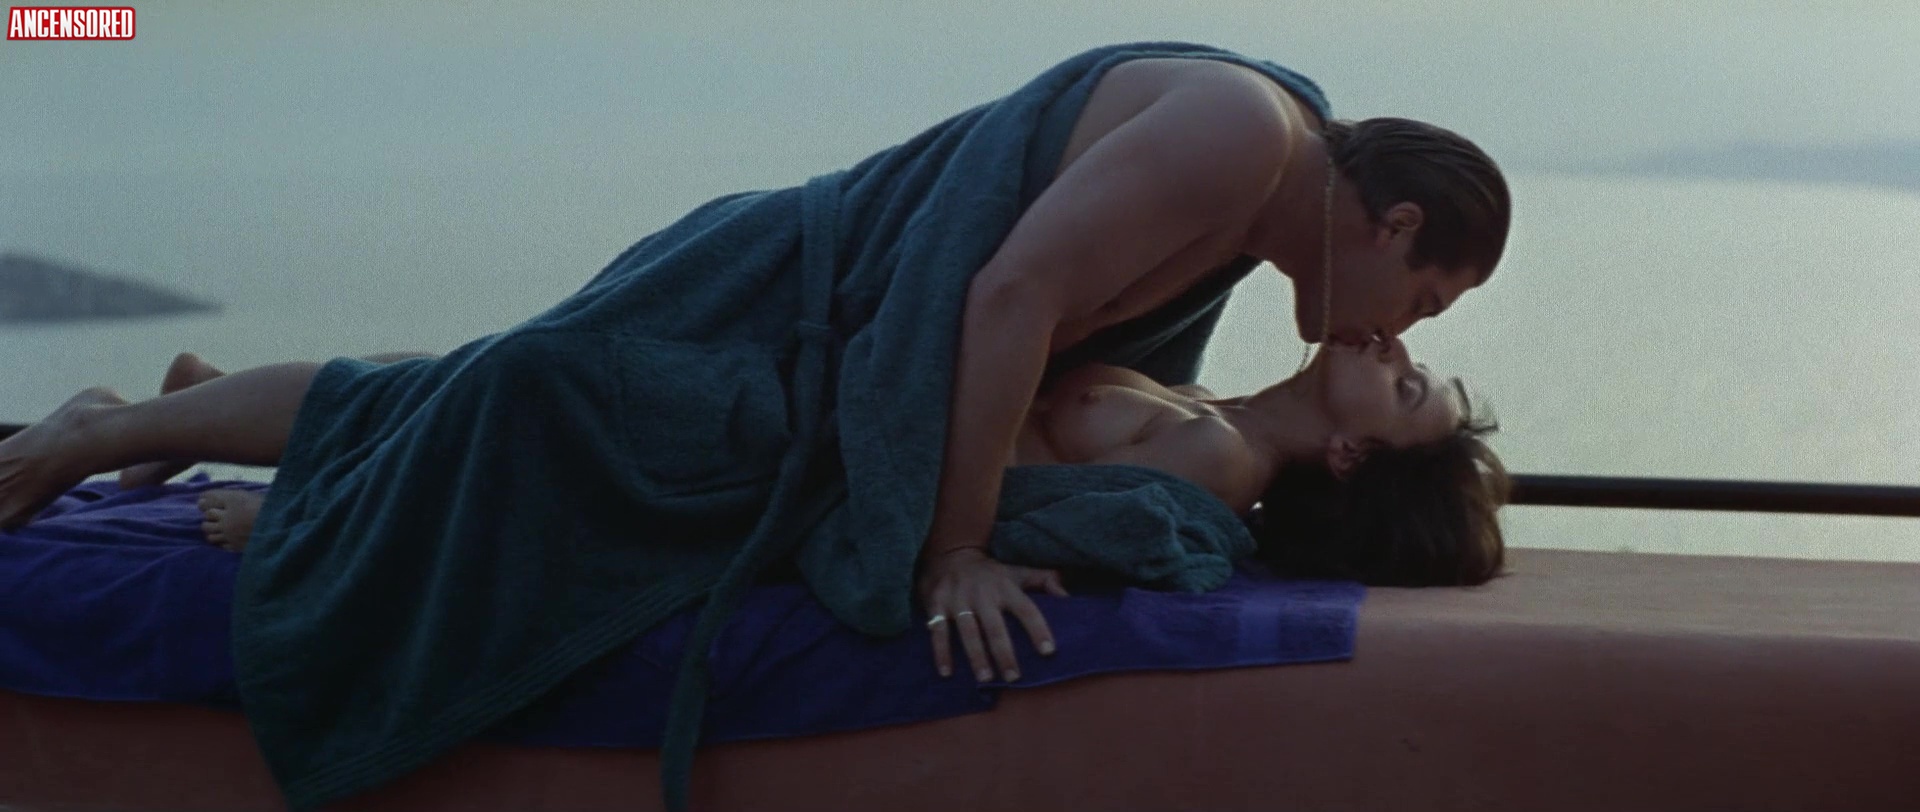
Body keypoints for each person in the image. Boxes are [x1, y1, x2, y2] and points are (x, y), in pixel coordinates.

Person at [0, 48, 1510, 808]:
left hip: (827, 345)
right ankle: (93, 442)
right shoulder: (1246, 134)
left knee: (472, 389)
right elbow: (1006, 298)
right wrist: (953, 552)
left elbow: (1064, 349)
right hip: (782, 288)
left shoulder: (1252, 221)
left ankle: (160, 413)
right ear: (1391, 224)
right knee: (512, 390)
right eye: (1427, 296)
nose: (1404, 328)